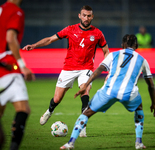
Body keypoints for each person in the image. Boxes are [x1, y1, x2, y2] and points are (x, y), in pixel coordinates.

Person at [22, 5, 109, 137]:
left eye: (89, 16)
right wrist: (34, 45)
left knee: (85, 90)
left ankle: (82, 125)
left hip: (86, 68)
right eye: (84, 15)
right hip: (69, 68)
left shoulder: (97, 33)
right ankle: (49, 111)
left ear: (92, 17)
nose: (86, 18)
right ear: (79, 16)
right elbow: (50, 39)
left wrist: (106, 66)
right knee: (57, 98)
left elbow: (106, 51)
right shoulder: (70, 29)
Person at [60, 34, 155, 150]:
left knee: (87, 112)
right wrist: (153, 103)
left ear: (122, 45)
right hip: (129, 93)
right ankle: (139, 143)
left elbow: (99, 70)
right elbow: (151, 85)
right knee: (139, 109)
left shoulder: (113, 55)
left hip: (108, 91)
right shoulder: (142, 60)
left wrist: (85, 85)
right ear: (136, 45)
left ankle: (70, 143)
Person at [0, 0, 35, 150]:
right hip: (7, 67)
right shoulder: (16, 11)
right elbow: (10, 38)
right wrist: (22, 66)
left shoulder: (1, 9)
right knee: (23, 110)